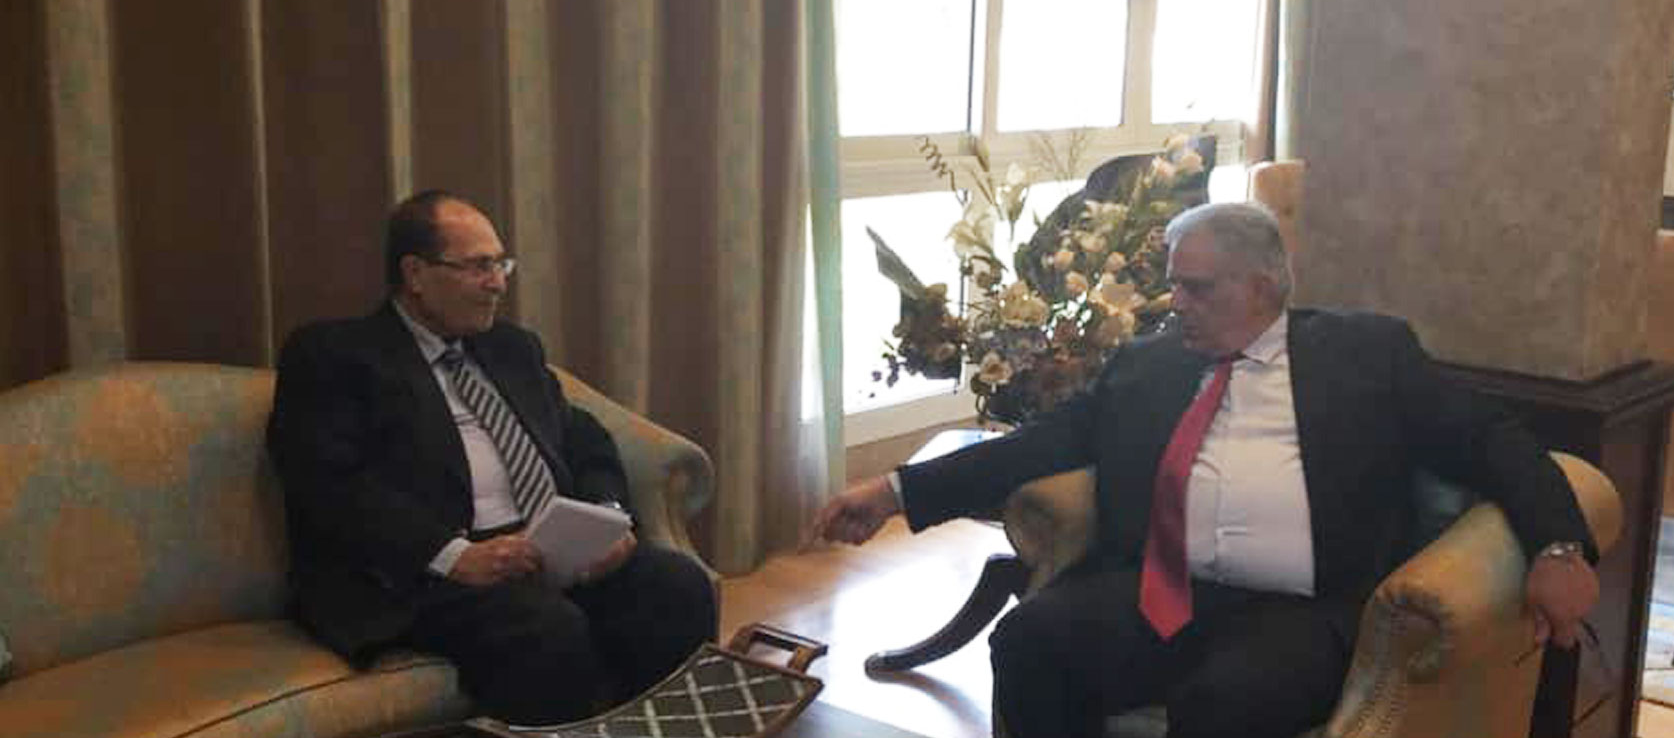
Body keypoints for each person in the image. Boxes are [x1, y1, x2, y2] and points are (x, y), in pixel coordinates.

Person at [813, 202, 1599, 738]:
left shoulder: (1366, 356)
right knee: (1030, 640)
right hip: (1161, 589)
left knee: (1223, 703)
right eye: (1172, 284)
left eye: (1196, 288)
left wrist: (1559, 545)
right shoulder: (1148, 365)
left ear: (1262, 287)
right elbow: (1041, 444)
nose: (1175, 303)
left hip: (1301, 609)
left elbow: (1492, 440)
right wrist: (894, 492)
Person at [268, 190, 716, 725]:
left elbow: (585, 438)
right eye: (479, 266)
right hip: (426, 573)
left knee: (677, 586)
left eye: (501, 264)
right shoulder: (334, 355)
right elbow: (329, 485)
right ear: (415, 274)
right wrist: (454, 555)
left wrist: (608, 514)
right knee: (545, 627)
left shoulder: (511, 348)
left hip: (546, 552)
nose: (498, 283)